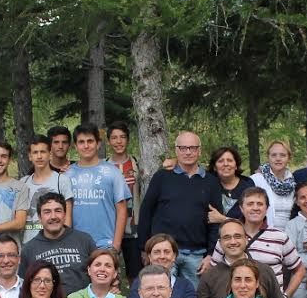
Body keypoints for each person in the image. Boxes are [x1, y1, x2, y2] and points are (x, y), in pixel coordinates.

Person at [138, 131, 215, 285]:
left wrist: (210, 254)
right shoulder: (162, 177)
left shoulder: (211, 181)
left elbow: (215, 221)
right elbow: (146, 211)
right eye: (183, 148)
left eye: (193, 148)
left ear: (199, 150)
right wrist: (144, 248)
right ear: (176, 150)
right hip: (163, 253)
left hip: (196, 256)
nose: (188, 152)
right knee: (160, 295)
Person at [207, 188, 305, 298]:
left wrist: (285, 297)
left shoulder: (280, 237)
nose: (255, 208)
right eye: (250, 204)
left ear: (267, 208)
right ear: (241, 208)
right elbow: (213, 271)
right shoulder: (228, 237)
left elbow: (299, 270)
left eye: (260, 204)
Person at [196, 219, 284, 298]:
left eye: (237, 236)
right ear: (220, 243)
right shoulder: (209, 276)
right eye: (227, 237)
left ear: (246, 239)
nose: (233, 242)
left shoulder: (264, 271)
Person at [66, 122, 131, 251]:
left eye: (90, 141)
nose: (86, 146)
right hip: (76, 246)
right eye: (81, 142)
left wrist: (116, 246)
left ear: (98, 143)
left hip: (106, 245)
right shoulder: (67, 174)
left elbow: (122, 210)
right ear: (75, 146)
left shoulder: (113, 172)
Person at [19, 192, 97, 296]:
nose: (53, 216)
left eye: (58, 211)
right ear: (39, 217)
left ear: (64, 214)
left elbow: (99, 272)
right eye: (47, 212)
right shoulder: (29, 250)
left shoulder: (84, 240)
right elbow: (24, 287)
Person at [20, 134, 74, 243]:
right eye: (35, 152)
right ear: (30, 156)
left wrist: (64, 243)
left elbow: (67, 218)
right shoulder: (23, 182)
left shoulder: (61, 180)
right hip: (29, 242)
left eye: (43, 152)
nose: (39, 156)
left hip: (56, 243)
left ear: (50, 154)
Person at [126, 234, 197, 298]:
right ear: (149, 256)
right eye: (157, 252)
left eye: (167, 252)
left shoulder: (186, 285)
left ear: (174, 256)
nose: (162, 256)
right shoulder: (139, 283)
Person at [105, 121, 142, 278]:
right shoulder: (103, 167)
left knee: (136, 275)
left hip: (134, 229)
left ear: (128, 139)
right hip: (110, 230)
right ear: (108, 141)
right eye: (114, 138)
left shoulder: (137, 164)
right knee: (110, 275)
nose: (118, 141)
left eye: (122, 137)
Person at [251, 140, 297, 229]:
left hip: (289, 234)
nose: (278, 158)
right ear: (268, 157)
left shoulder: (294, 182)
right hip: (264, 232)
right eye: (274, 155)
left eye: (282, 155)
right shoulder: (256, 180)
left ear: (289, 158)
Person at [204, 146, 254, 224]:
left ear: (236, 165)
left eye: (230, 160)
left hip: (241, 231)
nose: (226, 164)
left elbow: (253, 220)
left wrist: (223, 219)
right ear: (214, 167)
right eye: (220, 161)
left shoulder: (248, 185)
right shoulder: (208, 185)